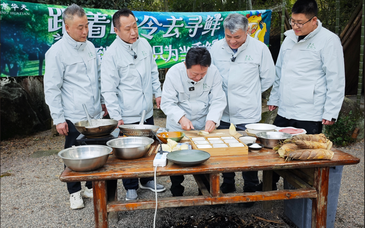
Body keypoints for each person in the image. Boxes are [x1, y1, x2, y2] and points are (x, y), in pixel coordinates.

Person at [267, 0, 345, 184]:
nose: (295, 26)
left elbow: (336, 78)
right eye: (293, 21)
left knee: (303, 156)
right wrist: (274, 97)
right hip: (285, 108)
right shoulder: (289, 38)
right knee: (275, 153)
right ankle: (269, 189)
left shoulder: (329, 40)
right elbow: (280, 71)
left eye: (299, 23)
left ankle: (302, 196)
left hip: (310, 110)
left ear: (314, 20)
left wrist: (331, 112)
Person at [44, 4, 108, 210]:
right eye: (80, 27)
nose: (85, 31)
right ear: (67, 27)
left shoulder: (90, 47)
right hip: (72, 114)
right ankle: (74, 191)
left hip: (94, 111)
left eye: (87, 26)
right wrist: (58, 117)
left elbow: (98, 77)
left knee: (94, 150)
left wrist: (104, 101)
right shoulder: (56, 52)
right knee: (73, 153)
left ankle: (90, 185)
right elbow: (52, 87)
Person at [210, 13, 276, 204]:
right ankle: (228, 183)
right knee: (225, 150)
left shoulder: (259, 49)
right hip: (222, 111)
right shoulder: (216, 48)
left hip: (248, 112)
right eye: (228, 36)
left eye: (237, 37)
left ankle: (250, 187)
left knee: (250, 151)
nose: (232, 41)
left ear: (247, 31)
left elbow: (268, 78)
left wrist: (250, 93)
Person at [101, 9, 165, 201]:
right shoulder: (111, 54)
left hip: (145, 109)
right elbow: (109, 89)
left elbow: (153, 71)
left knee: (148, 146)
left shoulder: (144, 44)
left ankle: (147, 180)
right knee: (127, 152)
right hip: (126, 114)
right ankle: (130, 186)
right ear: (116, 30)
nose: (133, 32)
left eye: (135, 26)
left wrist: (158, 93)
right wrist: (116, 115)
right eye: (127, 29)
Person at [161, 47, 227, 196]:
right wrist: (181, 118)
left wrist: (213, 119)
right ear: (186, 65)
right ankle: (177, 191)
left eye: (202, 74)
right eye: (194, 74)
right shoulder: (174, 73)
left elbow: (218, 99)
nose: (198, 78)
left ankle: (205, 191)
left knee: (205, 157)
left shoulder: (214, 73)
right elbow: (167, 103)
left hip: (203, 123)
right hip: (178, 124)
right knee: (176, 159)